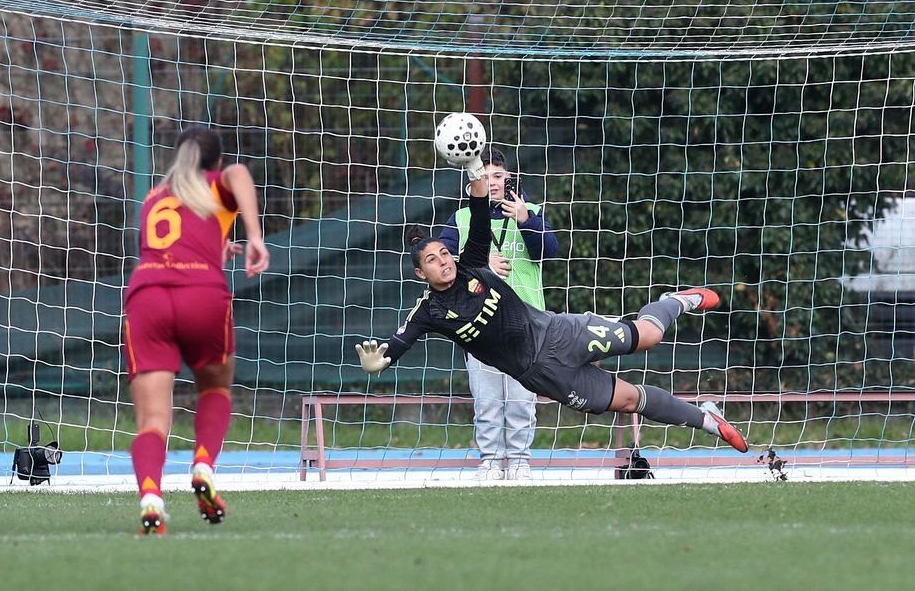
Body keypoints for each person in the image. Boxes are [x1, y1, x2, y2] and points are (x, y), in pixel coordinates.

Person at [355, 161, 748, 469]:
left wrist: (475, 169)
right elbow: (399, 342)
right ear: (420, 273)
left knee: (648, 336)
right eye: (433, 259)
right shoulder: (429, 310)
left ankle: (676, 301)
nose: (443, 261)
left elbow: (478, 213)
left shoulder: (472, 263)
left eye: (444, 253)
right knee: (629, 401)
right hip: (544, 374)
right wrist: (381, 360)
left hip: (561, 333)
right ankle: (706, 419)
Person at [125, 127, 269, 535]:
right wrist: (254, 237)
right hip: (201, 295)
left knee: (152, 419)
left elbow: (172, 244)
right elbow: (240, 174)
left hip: (147, 298)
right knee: (215, 388)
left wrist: (216, 245)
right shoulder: (214, 182)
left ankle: (151, 497)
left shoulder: (154, 196)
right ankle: (203, 465)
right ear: (215, 163)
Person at [438, 146, 558, 481]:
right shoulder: (462, 218)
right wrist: (476, 263)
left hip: (527, 325)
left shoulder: (530, 211)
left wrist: (525, 218)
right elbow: (440, 263)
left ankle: (520, 461)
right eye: (485, 175)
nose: (492, 182)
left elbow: (549, 251)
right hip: (480, 324)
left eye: (498, 175)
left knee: (522, 401)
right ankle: (490, 460)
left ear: (508, 178)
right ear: (473, 181)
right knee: (488, 402)